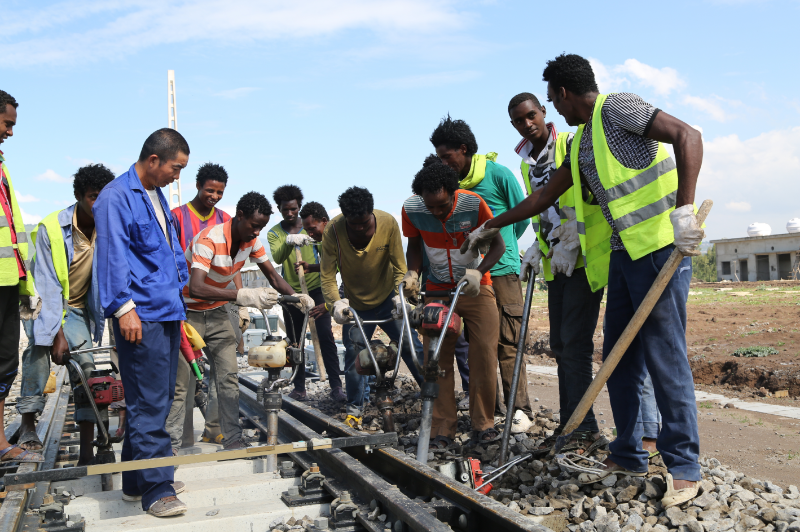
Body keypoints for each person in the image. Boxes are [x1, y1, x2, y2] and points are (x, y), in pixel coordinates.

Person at [468, 54, 704, 507]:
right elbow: (543, 196)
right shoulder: (580, 143)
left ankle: (684, 467)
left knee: (665, 355)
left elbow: (687, 136)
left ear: (562, 93)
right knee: (619, 358)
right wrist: (490, 226)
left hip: (660, 248)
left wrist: (685, 211)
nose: (554, 109)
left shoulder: (617, 108)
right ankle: (629, 454)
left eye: (552, 100)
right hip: (624, 255)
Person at [94, 128, 192, 516]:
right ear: (154, 160)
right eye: (176, 168)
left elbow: (166, 250)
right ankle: (157, 488)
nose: (177, 176)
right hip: (142, 313)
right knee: (149, 402)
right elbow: (112, 256)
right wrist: (123, 308)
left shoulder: (154, 192)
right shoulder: (116, 196)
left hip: (166, 309)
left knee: (156, 398)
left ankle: (137, 481)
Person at [508, 92, 608, 453]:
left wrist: (575, 236)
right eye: (518, 121)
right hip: (556, 260)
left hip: (582, 255)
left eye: (531, 115)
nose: (526, 124)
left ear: (543, 111)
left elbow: (589, 192)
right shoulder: (525, 162)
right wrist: (538, 244)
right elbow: (542, 205)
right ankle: (571, 426)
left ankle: (583, 428)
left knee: (575, 344)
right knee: (561, 345)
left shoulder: (569, 142)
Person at [184, 191, 313, 449]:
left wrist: (296, 297)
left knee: (228, 376)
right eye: (254, 226)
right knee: (183, 383)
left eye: (261, 228)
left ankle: (232, 437)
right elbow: (196, 288)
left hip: (218, 311)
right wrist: (241, 295)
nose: (256, 232)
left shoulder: (251, 241)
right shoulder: (209, 240)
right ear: (239, 216)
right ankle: (178, 442)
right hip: (188, 313)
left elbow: (273, 277)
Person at [430, 115, 533, 428]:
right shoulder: (449, 186)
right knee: (479, 345)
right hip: (467, 276)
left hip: (502, 268)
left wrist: (504, 246)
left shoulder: (498, 174)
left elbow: (523, 216)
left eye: (447, 156)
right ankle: (491, 409)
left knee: (508, 341)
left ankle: (518, 409)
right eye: (438, 158)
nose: (443, 163)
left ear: (463, 149)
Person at [402, 155, 504, 445]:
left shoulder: (474, 204)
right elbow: (414, 246)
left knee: (484, 354)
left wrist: (478, 272)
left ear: (453, 192)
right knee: (436, 359)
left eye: (442, 206)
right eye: (430, 207)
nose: (436, 212)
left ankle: (483, 423)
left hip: (475, 287)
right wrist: (412, 273)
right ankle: (442, 427)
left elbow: (498, 246)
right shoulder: (411, 209)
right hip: (436, 290)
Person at [18, 164, 114, 466]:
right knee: (38, 353)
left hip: (79, 307)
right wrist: (57, 334)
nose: (99, 204)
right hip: (42, 303)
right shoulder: (52, 228)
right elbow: (47, 286)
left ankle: (87, 451)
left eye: (104, 197)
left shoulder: (109, 226)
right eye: (93, 197)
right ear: (79, 196)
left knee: (87, 369)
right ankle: (28, 425)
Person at [319, 187, 423, 426]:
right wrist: (336, 304)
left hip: (388, 299)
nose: (359, 228)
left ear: (371, 213)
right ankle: (354, 410)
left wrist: (401, 297)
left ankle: (432, 398)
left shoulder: (387, 223)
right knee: (354, 357)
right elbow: (327, 275)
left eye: (364, 224)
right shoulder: (333, 231)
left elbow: (399, 266)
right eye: (353, 224)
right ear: (345, 217)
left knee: (411, 346)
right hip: (354, 306)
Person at [166, 162, 235, 450]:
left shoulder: (226, 220)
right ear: (197, 186)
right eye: (210, 190)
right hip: (186, 307)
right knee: (184, 377)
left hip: (219, 307)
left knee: (224, 374)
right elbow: (167, 258)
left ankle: (215, 429)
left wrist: (240, 304)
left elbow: (234, 264)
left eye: (219, 192)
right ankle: (182, 437)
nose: (214, 197)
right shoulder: (177, 217)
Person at [267, 188, 343, 402]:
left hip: (316, 289)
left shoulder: (311, 228)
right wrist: (289, 240)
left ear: (299, 207)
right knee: (295, 341)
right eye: (285, 209)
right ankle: (299, 387)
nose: (290, 213)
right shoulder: (275, 233)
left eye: (293, 209)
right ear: (279, 209)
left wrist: (311, 264)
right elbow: (278, 257)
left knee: (325, 335)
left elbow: (328, 259)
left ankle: (336, 385)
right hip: (291, 293)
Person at [0, 90, 42, 465]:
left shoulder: (2, 167)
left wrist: (25, 284)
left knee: (4, 363)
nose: (10, 132)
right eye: (7, 124)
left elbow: (13, 231)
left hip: (8, 280)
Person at [293, 201, 345, 400]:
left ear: (324, 221)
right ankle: (299, 387)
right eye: (306, 230)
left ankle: (340, 388)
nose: (309, 234)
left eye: (312, 229)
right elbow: (330, 265)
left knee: (329, 336)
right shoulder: (326, 238)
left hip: (344, 293)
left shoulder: (339, 238)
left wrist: (329, 305)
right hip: (300, 294)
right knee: (296, 340)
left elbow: (338, 269)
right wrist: (312, 267)